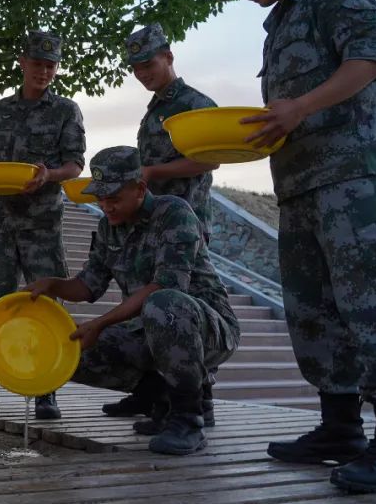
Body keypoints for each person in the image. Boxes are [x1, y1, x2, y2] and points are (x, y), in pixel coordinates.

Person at [216, 0, 376, 492]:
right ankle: (340, 429)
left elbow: (370, 61)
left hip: (353, 180)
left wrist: (299, 107)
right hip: (300, 186)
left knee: (375, 304)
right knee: (314, 311)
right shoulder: (276, 28)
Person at [27, 146, 239, 455]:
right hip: (149, 329)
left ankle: (188, 419)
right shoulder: (108, 228)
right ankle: (159, 398)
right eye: (100, 198)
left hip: (207, 328)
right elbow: (88, 286)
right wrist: (52, 284)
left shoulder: (174, 213)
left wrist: (100, 323)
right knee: (68, 349)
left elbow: (164, 286)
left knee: (163, 303)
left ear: (139, 189)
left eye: (113, 198)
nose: (106, 206)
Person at [0, 30, 86, 422]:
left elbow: (74, 165)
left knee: (45, 305)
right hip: (1, 224)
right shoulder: (0, 110)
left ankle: (47, 392)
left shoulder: (65, 111)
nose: (43, 71)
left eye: (50, 66)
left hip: (42, 226)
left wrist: (49, 175)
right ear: (22, 63)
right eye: (37, 64)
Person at [101, 24, 221, 431]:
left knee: (178, 309)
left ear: (168, 57)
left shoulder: (194, 103)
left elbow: (210, 158)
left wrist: (152, 171)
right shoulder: (155, 109)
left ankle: (197, 401)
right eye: (135, 68)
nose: (142, 73)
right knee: (143, 302)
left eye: (148, 64)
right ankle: (152, 392)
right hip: (149, 224)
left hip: (184, 224)